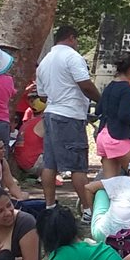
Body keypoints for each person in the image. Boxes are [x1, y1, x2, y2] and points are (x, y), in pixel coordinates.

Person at [35, 26, 101, 219]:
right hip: (70, 115)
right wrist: (101, 100)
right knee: (78, 164)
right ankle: (88, 210)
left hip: (51, 114)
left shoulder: (44, 62)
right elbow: (85, 84)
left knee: (50, 163)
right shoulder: (72, 57)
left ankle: (49, 206)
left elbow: (42, 94)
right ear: (71, 38)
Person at [97, 51, 130, 178]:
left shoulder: (109, 87)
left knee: (111, 183)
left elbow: (98, 110)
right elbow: (124, 115)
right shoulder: (127, 89)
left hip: (104, 135)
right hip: (119, 137)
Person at [14, 86, 46, 179]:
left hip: (24, 164)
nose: (32, 102)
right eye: (30, 99)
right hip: (34, 165)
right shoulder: (43, 121)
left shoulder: (29, 121)